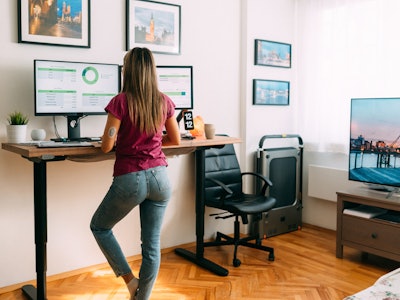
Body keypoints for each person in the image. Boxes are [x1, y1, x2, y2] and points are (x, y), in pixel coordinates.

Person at [90, 47, 180, 300]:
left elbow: (107, 145)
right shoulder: (164, 101)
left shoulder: (120, 101)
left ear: (127, 70)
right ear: (152, 71)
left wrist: (120, 141)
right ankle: (142, 297)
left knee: (99, 227)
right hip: (160, 179)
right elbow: (176, 139)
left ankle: (130, 282)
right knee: (151, 246)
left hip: (131, 179)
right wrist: (152, 143)